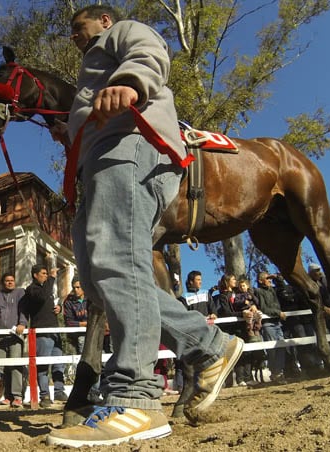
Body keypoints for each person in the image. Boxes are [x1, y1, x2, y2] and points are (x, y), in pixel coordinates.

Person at [47, 5, 243, 447]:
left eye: (79, 29)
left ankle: (136, 399)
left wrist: (129, 82)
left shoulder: (121, 36)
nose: (75, 38)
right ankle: (208, 345)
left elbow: (150, 50)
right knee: (101, 280)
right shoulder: (87, 72)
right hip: (98, 161)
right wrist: (71, 129)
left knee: (118, 259)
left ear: (104, 22)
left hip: (131, 143)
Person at [21, 263, 67, 407]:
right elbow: (41, 298)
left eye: (47, 274)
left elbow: (47, 301)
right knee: (43, 366)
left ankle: (59, 391)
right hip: (42, 332)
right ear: (35, 275)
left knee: (59, 363)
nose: (46, 275)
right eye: (43, 273)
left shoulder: (46, 289)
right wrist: (52, 279)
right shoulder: (31, 289)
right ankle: (44, 396)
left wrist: (58, 308)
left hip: (55, 331)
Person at [0, 273, 28, 408]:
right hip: (0, 336)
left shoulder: (20, 293)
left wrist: (22, 323)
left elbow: (23, 310)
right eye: (7, 281)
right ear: (3, 283)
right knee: (3, 367)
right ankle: (7, 396)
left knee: (16, 365)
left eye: (12, 280)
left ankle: (17, 396)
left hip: (15, 336)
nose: (10, 283)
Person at [63, 278, 89, 353]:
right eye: (74, 287)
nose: (76, 290)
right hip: (75, 335)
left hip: (92, 333)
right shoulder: (69, 301)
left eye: (78, 287)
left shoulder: (91, 299)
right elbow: (69, 322)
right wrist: (85, 324)